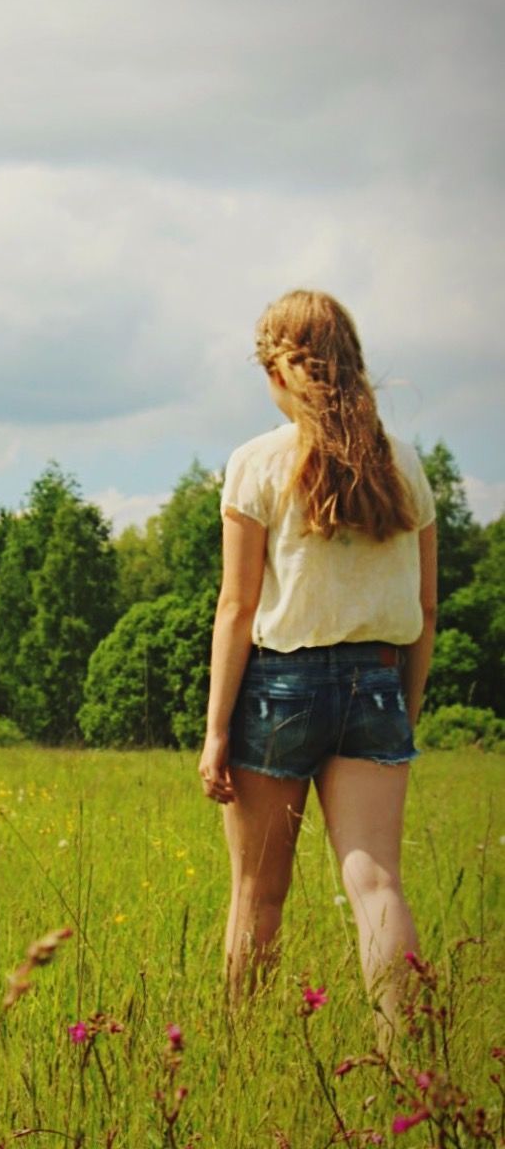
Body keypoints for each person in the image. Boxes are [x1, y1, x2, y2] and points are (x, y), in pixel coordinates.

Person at [199, 289, 437, 1038]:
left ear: (277, 371)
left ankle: (237, 1056)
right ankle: (408, 1064)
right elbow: (426, 608)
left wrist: (214, 732)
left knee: (257, 892)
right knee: (375, 885)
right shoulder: (403, 462)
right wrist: (406, 704)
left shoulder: (256, 463)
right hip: (377, 679)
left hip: (279, 686)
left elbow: (236, 607)